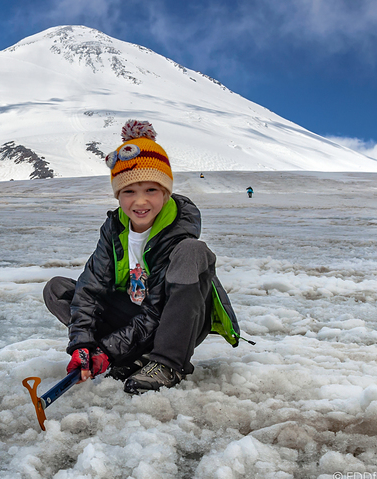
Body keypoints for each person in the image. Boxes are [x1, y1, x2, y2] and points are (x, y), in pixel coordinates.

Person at [43, 120, 239, 394]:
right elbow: (89, 289)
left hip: (172, 324)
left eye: (151, 190)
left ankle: (166, 363)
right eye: (129, 191)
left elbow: (155, 312)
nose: (140, 202)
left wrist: (109, 350)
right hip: (133, 321)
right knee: (58, 289)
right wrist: (83, 345)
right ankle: (132, 359)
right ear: (118, 196)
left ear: (166, 193)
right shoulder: (114, 228)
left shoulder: (177, 235)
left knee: (194, 253)